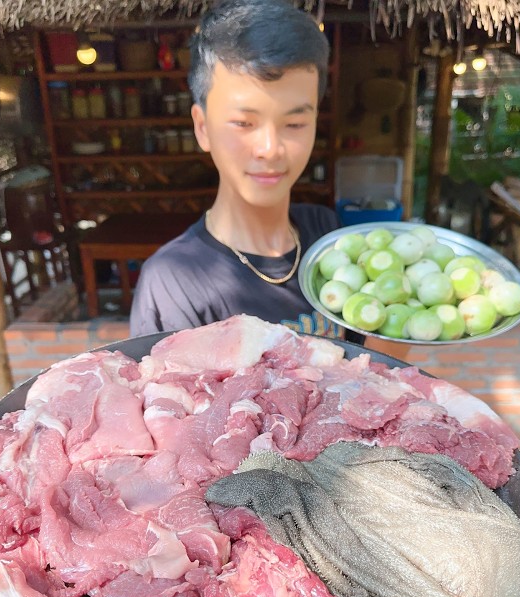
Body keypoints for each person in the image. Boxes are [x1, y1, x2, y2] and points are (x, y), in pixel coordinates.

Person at [130, 0, 359, 342]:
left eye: (295, 123)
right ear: (202, 126)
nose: (270, 149)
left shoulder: (324, 232)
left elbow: (367, 369)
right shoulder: (173, 282)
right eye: (243, 123)